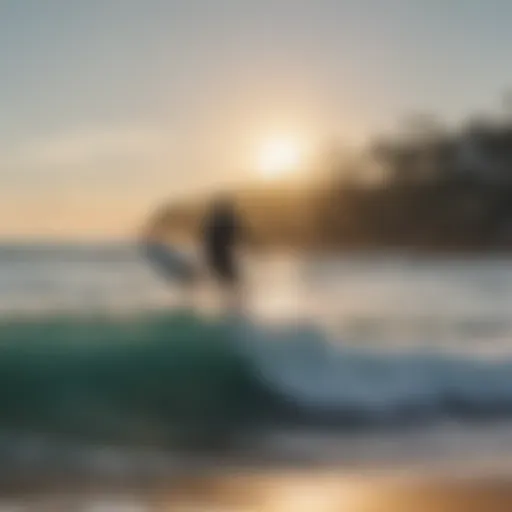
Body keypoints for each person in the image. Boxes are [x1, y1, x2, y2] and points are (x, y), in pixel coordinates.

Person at [201, 194, 245, 311]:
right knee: (229, 281)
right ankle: (231, 305)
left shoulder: (221, 221)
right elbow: (239, 234)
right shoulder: (221, 221)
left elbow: (239, 234)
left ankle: (232, 304)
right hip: (219, 255)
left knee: (229, 281)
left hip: (220, 255)